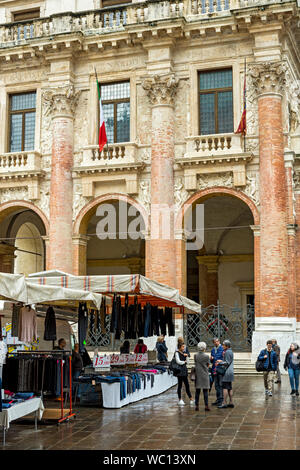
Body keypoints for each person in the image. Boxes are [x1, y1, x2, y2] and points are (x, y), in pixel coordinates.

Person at [216, 340, 234, 409]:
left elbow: (227, 362)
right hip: (230, 372)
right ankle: (231, 402)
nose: (222, 346)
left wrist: (220, 362)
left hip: (227, 372)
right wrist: (221, 361)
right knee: (229, 387)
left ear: (227, 346)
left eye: (223, 345)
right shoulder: (230, 351)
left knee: (225, 387)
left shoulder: (227, 352)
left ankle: (224, 402)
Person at [175, 342, 194, 406]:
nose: (184, 348)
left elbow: (187, 362)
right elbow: (178, 361)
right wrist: (184, 361)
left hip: (184, 370)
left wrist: (187, 357)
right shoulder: (177, 353)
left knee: (187, 385)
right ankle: (180, 399)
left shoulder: (184, 353)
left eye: (184, 347)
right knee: (180, 385)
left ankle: (191, 399)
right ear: (179, 347)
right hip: (179, 371)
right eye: (183, 347)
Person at [194, 341, 210, 411]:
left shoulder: (195, 355)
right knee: (205, 391)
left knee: (197, 391)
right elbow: (208, 365)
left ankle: (196, 405)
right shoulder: (206, 356)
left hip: (198, 374)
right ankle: (206, 405)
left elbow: (196, 363)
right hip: (205, 374)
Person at [210, 338, 224, 406]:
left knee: (220, 385)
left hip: (220, 369)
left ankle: (221, 400)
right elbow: (212, 360)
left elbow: (220, 358)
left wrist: (214, 358)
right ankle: (218, 399)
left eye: (217, 341)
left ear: (219, 341)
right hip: (214, 369)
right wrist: (211, 359)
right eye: (215, 342)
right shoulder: (213, 349)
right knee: (216, 386)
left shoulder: (222, 348)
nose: (216, 343)